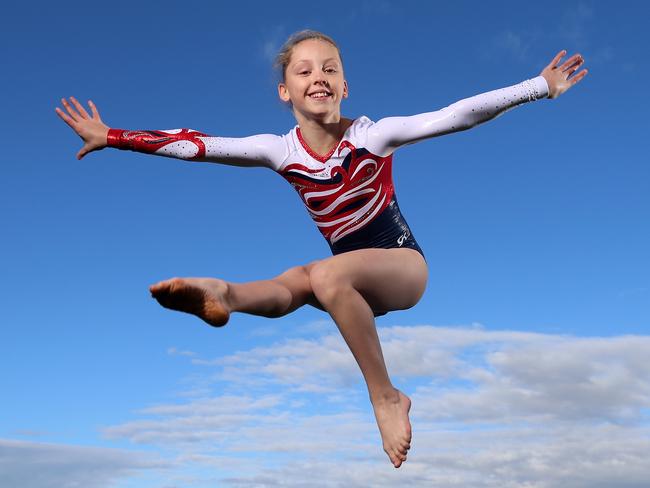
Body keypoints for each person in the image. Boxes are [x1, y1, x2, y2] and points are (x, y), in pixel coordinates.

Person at [55, 29, 587, 468]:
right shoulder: (277, 151)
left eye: (330, 69)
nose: (319, 77)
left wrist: (538, 86)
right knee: (301, 279)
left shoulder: (374, 136)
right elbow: (197, 144)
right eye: (304, 70)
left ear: (345, 86)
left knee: (324, 276)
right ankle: (225, 296)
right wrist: (113, 136)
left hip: (402, 265)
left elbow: (458, 113)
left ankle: (385, 396)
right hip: (351, 285)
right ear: (285, 92)